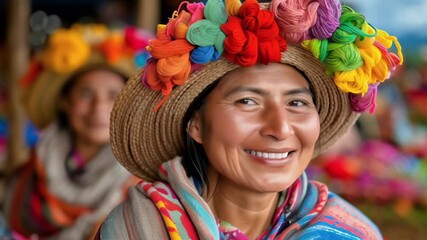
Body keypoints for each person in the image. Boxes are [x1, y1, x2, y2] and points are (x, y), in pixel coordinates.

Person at [97, 0, 403, 239]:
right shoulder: (133, 231)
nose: (280, 128)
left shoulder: (351, 234)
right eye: (248, 101)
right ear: (196, 124)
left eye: (297, 102)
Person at [1, 24, 151, 239]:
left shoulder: (143, 183)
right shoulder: (30, 175)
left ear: (127, 104)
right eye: (86, 93)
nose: (99, 107)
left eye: (112, 95)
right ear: (65, 101)